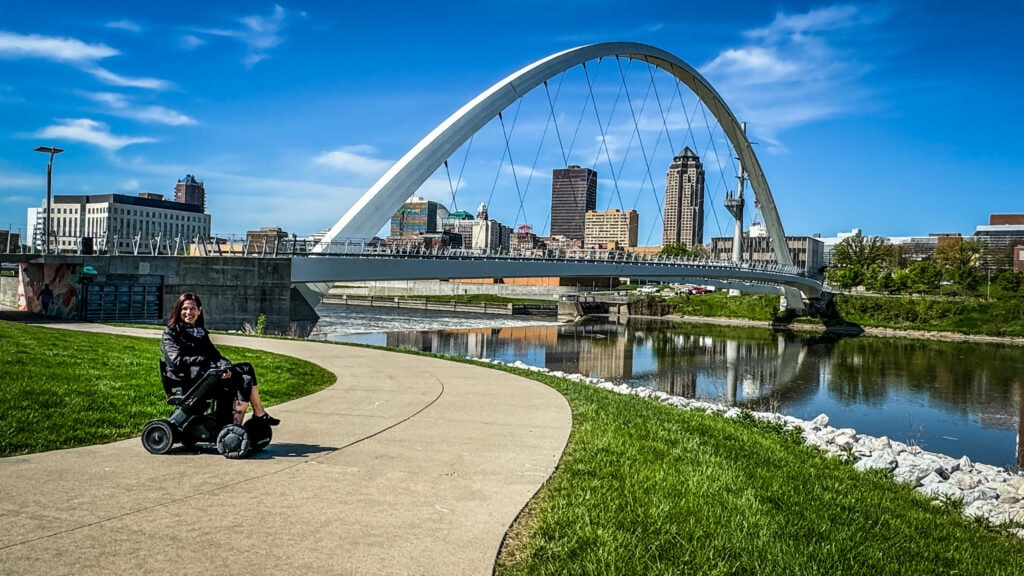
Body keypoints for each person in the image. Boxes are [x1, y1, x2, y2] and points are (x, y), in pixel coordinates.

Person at [161, 292, 280, 426]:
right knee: (245, 380)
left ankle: (255, 415)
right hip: (189, 380)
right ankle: (236, 426)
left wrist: (226, 367)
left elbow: (215, 356)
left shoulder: (200, 333)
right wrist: (205, 361)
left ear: (199, 311)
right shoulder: (171, 333)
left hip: (205, 376)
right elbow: (176, 361)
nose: (188, 312)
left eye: (192, 309)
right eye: (184, 309)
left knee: (246, 367)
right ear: (178, 310)